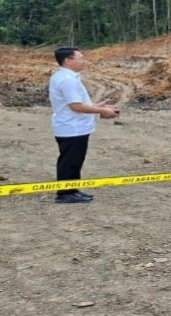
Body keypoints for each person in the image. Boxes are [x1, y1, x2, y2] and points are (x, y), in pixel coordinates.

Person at [48, 47, 118, 204]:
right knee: (70, 161)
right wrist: (101, 110)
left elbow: (76, 103)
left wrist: (96, 106)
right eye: (80, 58)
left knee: (74, 161)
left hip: (73, 126)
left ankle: (72, 190)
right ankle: (65, 193)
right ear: (68, 61)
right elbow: (76, 106)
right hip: (72, 127)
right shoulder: (67, 80)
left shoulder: (66, 77)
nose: (84, 61)